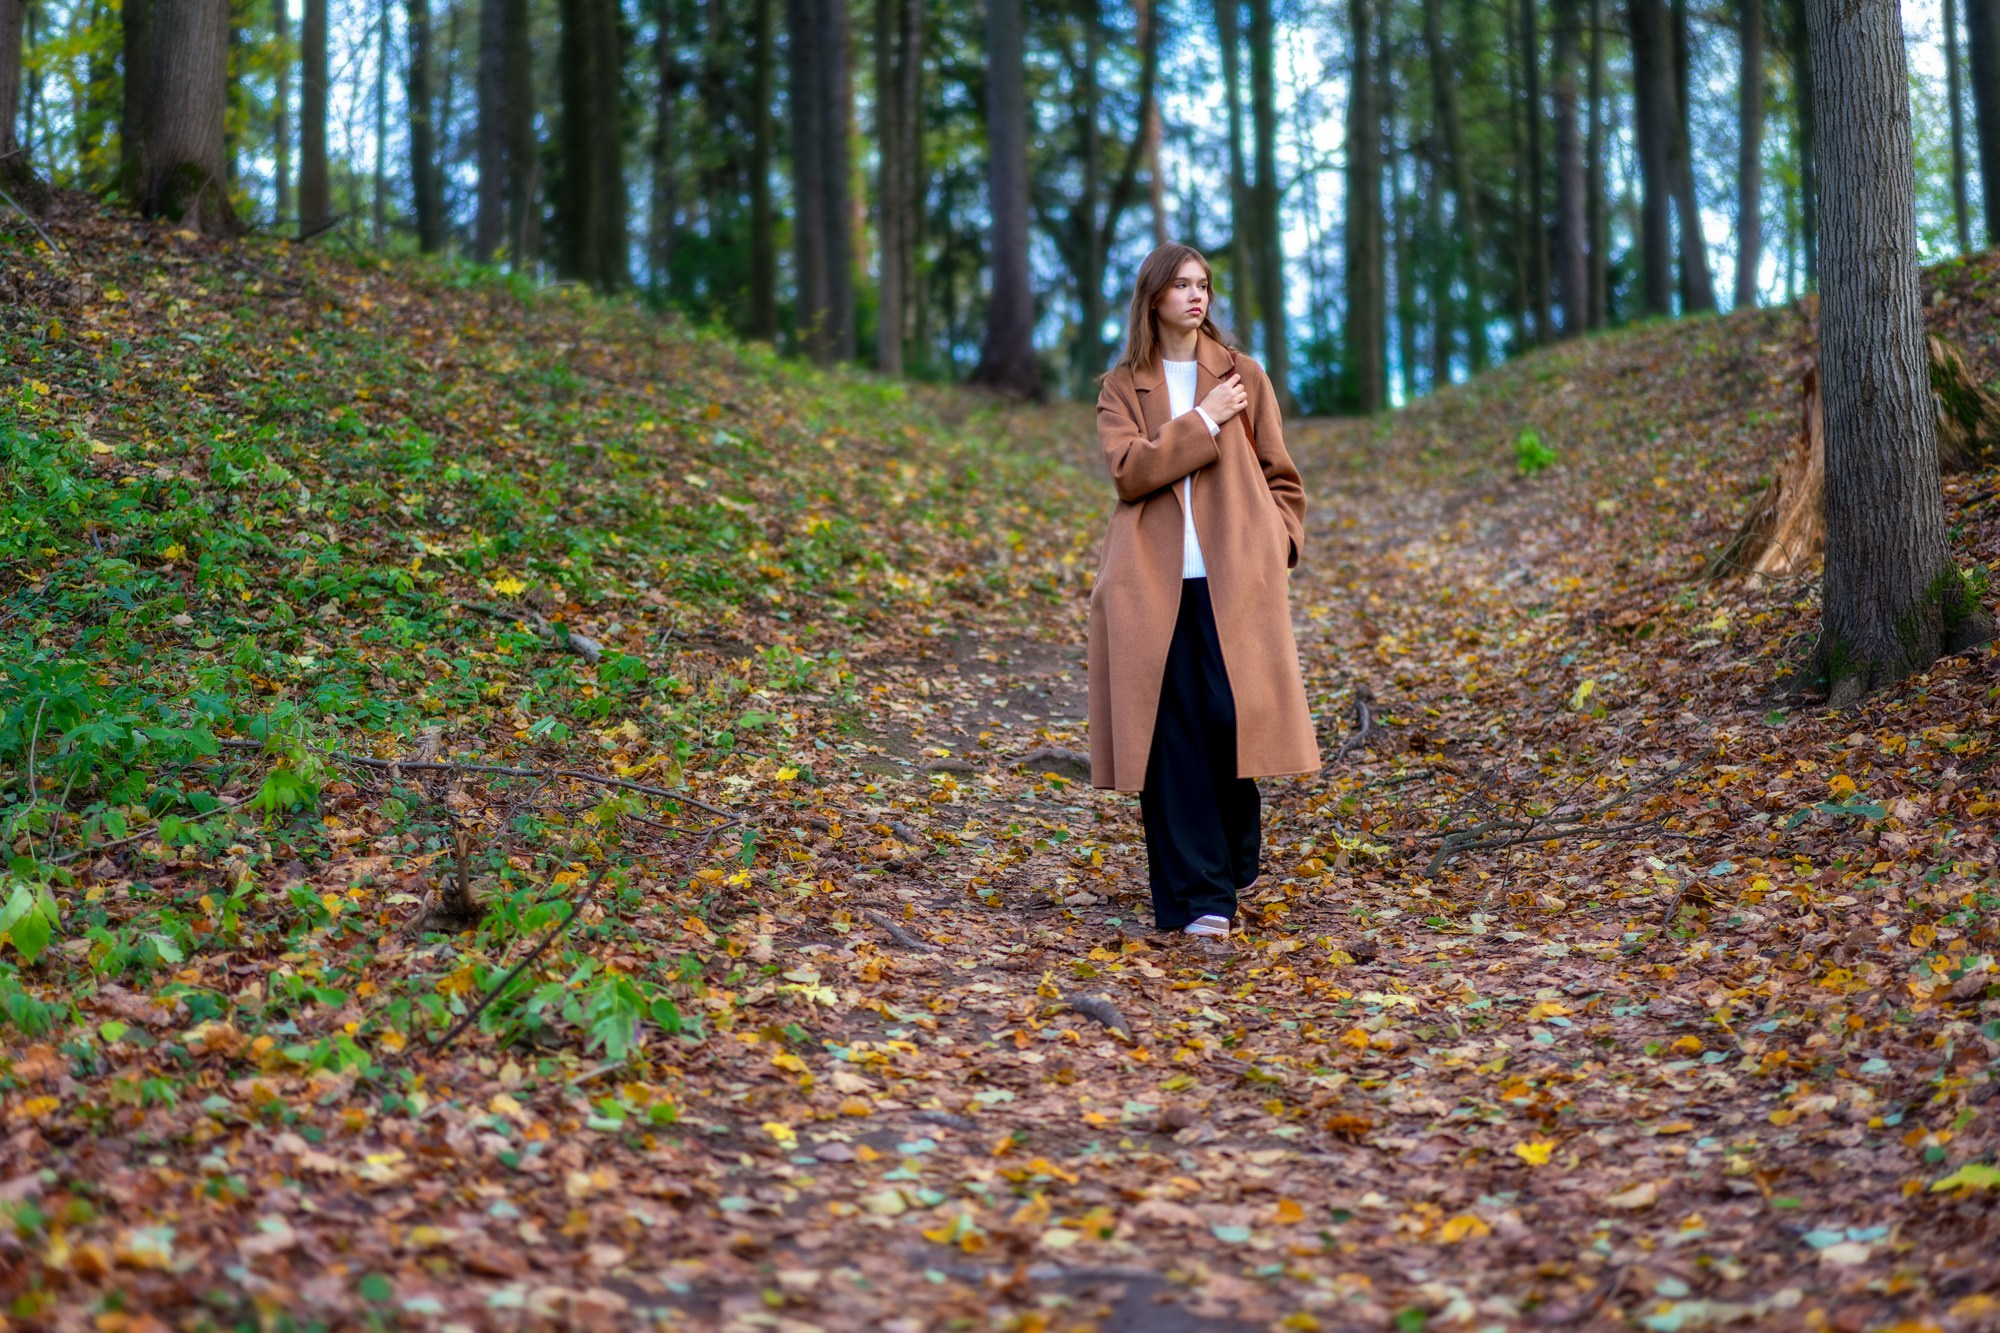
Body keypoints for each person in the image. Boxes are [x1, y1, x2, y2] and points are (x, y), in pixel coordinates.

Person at [1086, 243, 1321, 938]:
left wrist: (1279, 544)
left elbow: (1284, 478)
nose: (1196, 296)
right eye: (1182, 285)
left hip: (1235, 582)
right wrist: (1205, 418)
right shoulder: (1123, 385)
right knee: (1171, 741)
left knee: (1229, 719)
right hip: (1150, 585)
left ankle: (1235, 850)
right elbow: (1129, 471)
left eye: (1204, 284)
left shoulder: (1245, 376)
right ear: (1153, 297)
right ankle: (1203, 900)